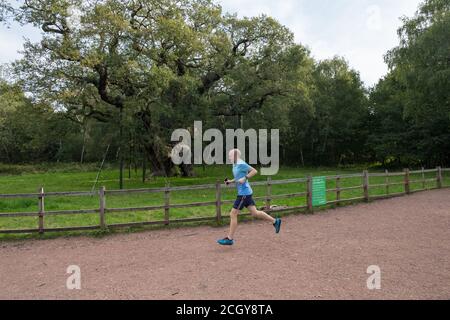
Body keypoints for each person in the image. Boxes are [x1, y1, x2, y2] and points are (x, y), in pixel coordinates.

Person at [217, 149, 282, 246]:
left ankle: (229, 239)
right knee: (255, 213)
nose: (229, 158)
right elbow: (240, 176)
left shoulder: (241, 164)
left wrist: (246, 178)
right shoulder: (235, 165)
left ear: (235, 156)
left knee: (233, 214)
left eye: (230, 156)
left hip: (244, 194)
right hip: (246, 192)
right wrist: (231, 181)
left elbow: (254, 171)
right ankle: (275, 221)